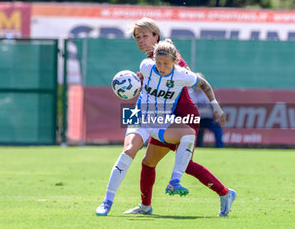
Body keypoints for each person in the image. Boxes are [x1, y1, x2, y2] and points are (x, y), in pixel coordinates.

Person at [96, 39, 227, 216]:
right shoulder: (146, 66)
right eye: (158, 62)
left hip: (163, 121)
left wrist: (215, 105)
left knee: (188, 134)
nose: (161, 66)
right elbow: (140, 77)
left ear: (175, 61)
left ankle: (174, 181)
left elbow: (203, 84)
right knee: (129, 151)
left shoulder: (182, 74)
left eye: (166, 63)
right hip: (140, 117)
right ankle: (107, 202)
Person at [123, 18, 236, 217]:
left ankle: (225, 193)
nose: (140, 40)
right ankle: (145, 206)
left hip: (184, 115)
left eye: (145, 36)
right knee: (148, 162)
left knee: (186, 165)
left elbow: (190, 76)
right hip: (164, 118)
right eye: (137, 37)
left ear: (156, 36)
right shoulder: (150, 63)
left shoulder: (168, 56)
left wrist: (215, 105)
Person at [189, 73, 224, 148]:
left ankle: (220, 147)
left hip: (208, 119)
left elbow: (214, 105)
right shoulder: (189, 93)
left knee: (217, 129)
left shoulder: (207, 93)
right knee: (197, 134)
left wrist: (216, 116)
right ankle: (197, 148)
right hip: (196, 119)